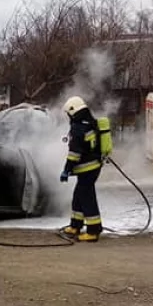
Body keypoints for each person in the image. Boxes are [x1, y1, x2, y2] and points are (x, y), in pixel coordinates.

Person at [60, 96, 104, 242]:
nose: (68, 116)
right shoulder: (90, 123)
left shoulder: (78, 127)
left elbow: (74, 154)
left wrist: (66, 170)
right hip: (93, 167)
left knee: (87, 198)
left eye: (68, 113)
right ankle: (76, 225)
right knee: (79, 196)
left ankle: (93, 231)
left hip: (86, 169)